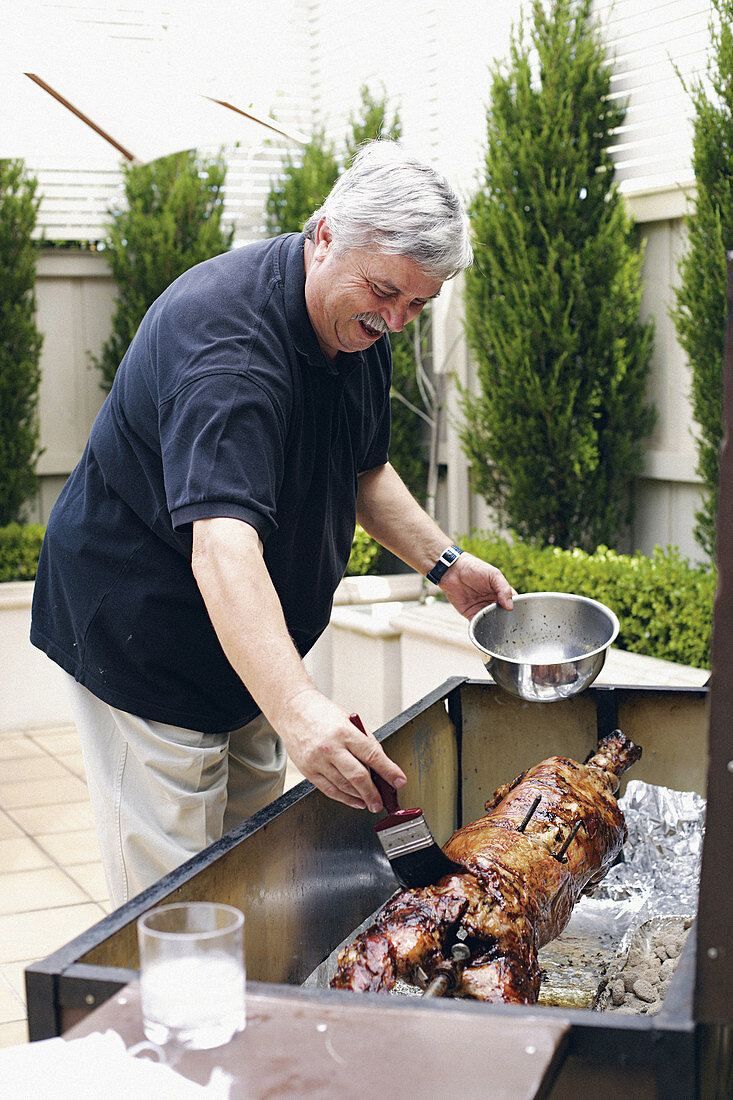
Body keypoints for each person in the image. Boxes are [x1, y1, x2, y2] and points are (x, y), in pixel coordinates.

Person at [30, 141, 514, 907]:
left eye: (416, 305)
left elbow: (362, 469)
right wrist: (299, 712)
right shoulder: (228, 353)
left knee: (253, 863)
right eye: (385, 291)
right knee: (176, 900)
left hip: (255, 641)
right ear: (323, 235)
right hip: (145, 638)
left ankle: (251, 1012)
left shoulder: (359, 320)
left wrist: (445, 564)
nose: (393, 320)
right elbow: (223, 548)